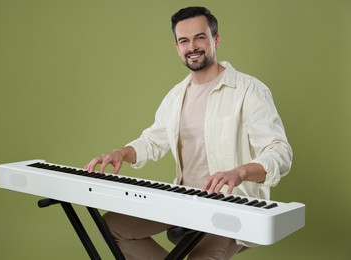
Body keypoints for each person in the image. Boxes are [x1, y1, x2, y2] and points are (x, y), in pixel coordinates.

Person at [85, 6, 292, 260]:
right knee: (110, 227)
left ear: (216, 39)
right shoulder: (176, 95)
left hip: (230, 206)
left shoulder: (249, 91)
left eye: (199, 37)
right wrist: (122, 153)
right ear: (177, 48)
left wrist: (239, 173)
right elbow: (153, 139)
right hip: (182, 200)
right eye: (184, 40)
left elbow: (280, 153)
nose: (192, 46)